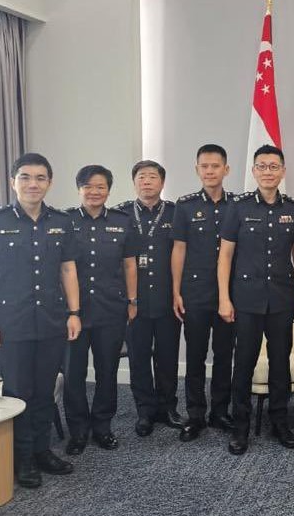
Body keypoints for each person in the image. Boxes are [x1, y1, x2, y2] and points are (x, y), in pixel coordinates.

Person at [0, 153, 81, 488]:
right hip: (12, 322)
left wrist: (74, 312)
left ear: (49, 182)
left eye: (40, 178)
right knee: (18, 391)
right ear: (13, 182)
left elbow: (68, 269)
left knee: (45, 390)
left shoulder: (61, 221)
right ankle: (23, 458)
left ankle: (42, 450)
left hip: (51, 319)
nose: (33, 184)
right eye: (25, 177)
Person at [218, 145, 294, 455]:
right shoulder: (238, 208)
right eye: (262, 166)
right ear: (254, 171)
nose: (268, 172)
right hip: (246, 300)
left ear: (283, 171)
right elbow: (225, 256)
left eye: (274, 166)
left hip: (281, 299)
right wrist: (224, 298)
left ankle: (279, 422)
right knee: (243, 364)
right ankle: (240, 428)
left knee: (281, 363)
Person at [63, 165, 138, 455]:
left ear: (108, 190)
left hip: (111, 309)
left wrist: (132, 301)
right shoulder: (65, 221)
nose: (94, 192)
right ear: (78, 189)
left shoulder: (122, 221)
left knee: (107, 370)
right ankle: (78, 430)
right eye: (88, 186)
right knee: (74, 373)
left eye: (100, 187)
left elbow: (129, 265)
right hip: (74, 312)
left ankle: (103, 427)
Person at [172, 143, 236, 442]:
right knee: (195, 356)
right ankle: (195, 415)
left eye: (215, 166)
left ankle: (220, 412)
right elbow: (179, 250)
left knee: (224, 355)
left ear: (226, 169)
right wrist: (176, 291)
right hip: (195, 292)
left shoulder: (237, 205)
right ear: (197, 169)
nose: (210, 171)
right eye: (204, 166)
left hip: (228, 294)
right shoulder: (184, 206)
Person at [115, 160, 184, 437]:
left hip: (167, 298)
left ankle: (168, 408)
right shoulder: (120, 214)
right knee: (139, 357)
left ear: (162, 182)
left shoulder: (176, 213)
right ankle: (144, 411)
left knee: (167, 357)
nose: (146, 181)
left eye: (152, 177)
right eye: (141, 177)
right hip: (135, 301)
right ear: (134, 182)